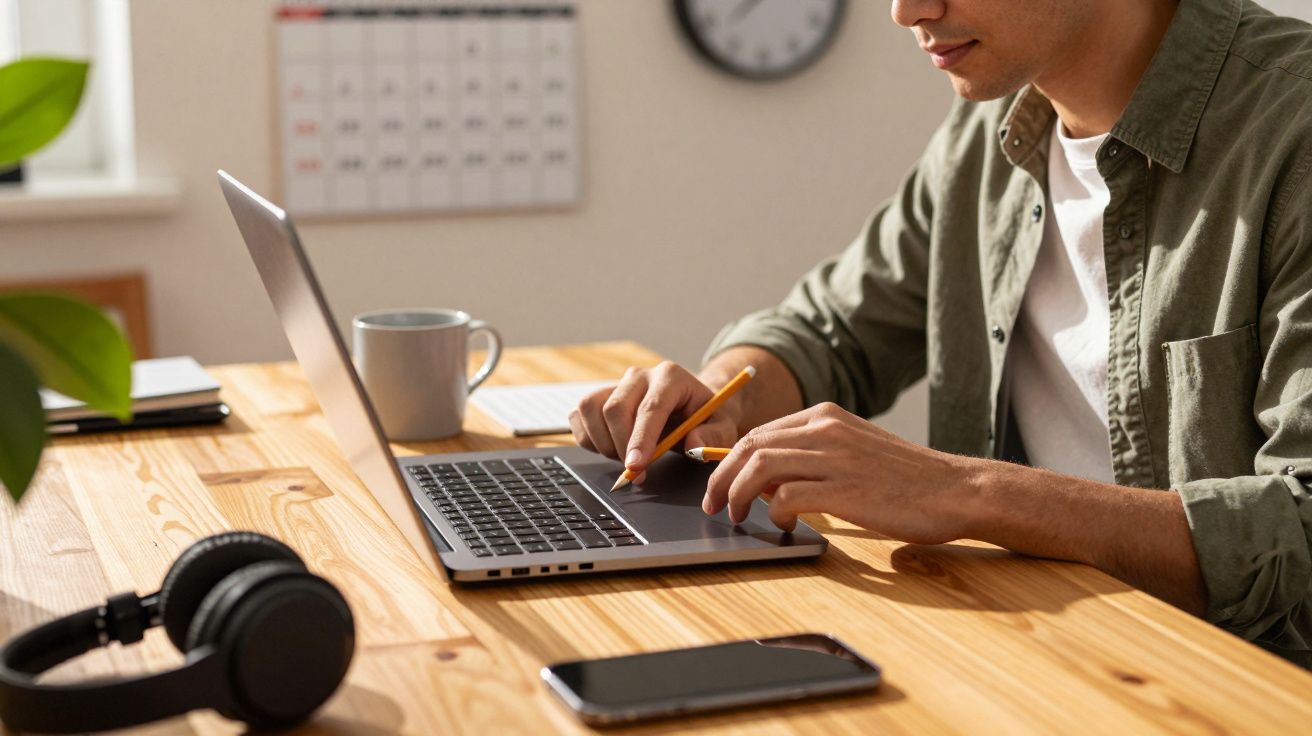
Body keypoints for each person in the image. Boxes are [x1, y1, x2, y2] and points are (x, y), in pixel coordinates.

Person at [569, 0, 1312, 666]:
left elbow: (1302, 529)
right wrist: (722, 395)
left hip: (1227, 688)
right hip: (1024, 650)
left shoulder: (1292, 129)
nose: (906, 11)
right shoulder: (993, 127)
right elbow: (833, 330)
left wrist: (964, 491)